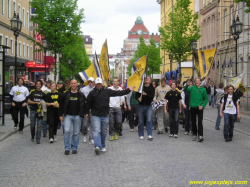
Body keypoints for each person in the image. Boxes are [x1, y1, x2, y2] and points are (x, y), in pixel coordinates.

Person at [85, 77, 134, 155]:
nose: (98, 85)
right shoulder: (92, 93)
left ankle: (103, 145)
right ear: (95, 84)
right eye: (97, 84)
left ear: (102, 84)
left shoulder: (107, 91)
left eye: (99, 84)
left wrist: (128, 90)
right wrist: (86, 112)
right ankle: (97, 146)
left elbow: (118, 93)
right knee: (97, 130)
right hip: (95, 115)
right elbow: (87, 103)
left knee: (104, 131)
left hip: (105, 114)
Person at [60, 79, 85, 155]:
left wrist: (83, 114)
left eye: (75, 83)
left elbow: (83, 105)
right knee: (67, 131)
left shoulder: (81, 94)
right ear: (70, 84)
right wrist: (61, 114)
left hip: (77, 116)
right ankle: (67, 147)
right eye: (72, 83)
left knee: (76, 132)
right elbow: (61, 105)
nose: (73, 85)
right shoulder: (66, 94)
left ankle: (74, 147)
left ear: (77, 84)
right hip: (68, 115)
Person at [135, 76, 155, 141]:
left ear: (150, 81)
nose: (147, 79)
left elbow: (151, 97)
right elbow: (136, 96)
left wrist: (145, 94)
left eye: (148, 78)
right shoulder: (141, 87)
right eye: (146, 78)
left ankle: (150, 134)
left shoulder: (152, 88)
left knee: (149, 120)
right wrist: (138, 98)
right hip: (141, 105)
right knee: (141, 121)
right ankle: (141, 134)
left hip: (148, 105)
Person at [80, 77, 95, 144]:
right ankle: (85, 134)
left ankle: (91, 137)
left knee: (92, 124)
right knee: (85, 124)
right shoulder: (83, 89)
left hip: (93, 109)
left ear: (94, 82)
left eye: (91, 82)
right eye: (89, 82)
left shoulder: (95, 89)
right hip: (86, 108)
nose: (90, 83)